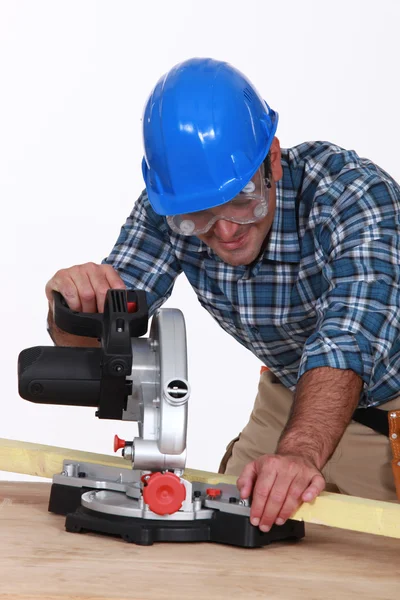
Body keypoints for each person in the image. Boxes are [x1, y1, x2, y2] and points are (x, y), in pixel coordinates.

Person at [46, 57, 400, 533]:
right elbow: (111, 330)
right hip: (289, 395)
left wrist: (297, 454)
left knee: (376, 571)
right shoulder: (172, 206)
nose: (227, 230)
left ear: (272, 159)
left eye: (241, 200)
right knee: (221, 546)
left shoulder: (353, 195)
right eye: (200, 217)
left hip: (388, 421)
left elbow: (347, 338)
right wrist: (68, 309)